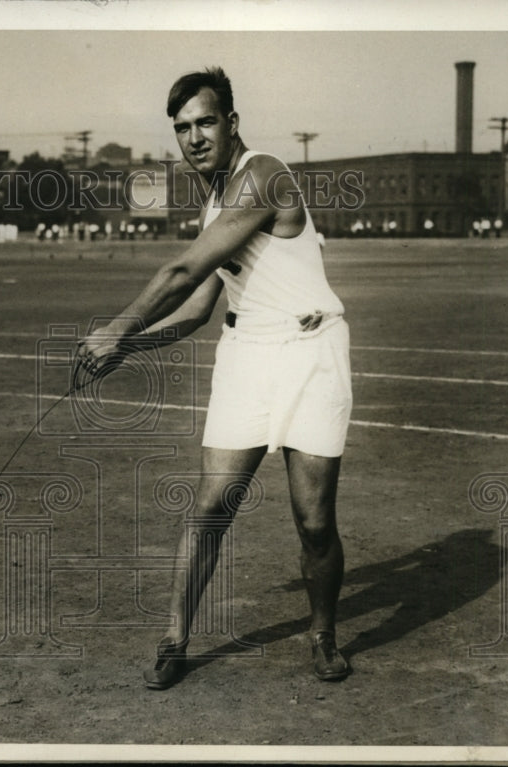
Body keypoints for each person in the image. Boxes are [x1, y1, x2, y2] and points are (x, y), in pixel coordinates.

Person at [76, 67, 353, 689]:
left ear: (232, 122)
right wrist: (132, 347)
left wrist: (117, 327)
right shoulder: (212, 205)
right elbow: (198, 306)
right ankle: (174, 640)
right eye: (182, 129)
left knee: (313, 522)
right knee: (209, 509)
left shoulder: (265, 173)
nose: (194, 138)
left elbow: (180, 272)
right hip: (247, 355)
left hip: (311, 354)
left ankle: (322, 633)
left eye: (205, 122)